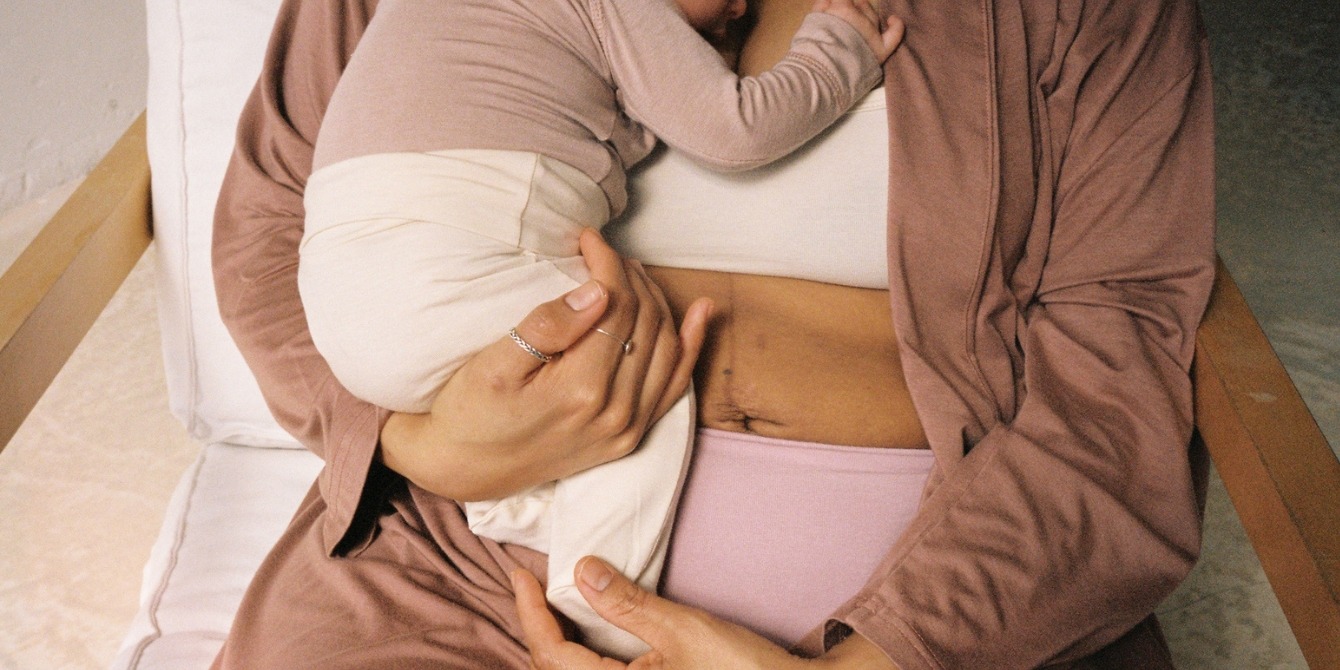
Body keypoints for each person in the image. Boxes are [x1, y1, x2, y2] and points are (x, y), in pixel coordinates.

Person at [212, 0, 1216, 667]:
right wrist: (417, 443)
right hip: (469, 575)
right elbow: (272, 229)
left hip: (923, 617)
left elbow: (1117, 358)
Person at [295, 0, 900, 655]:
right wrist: (841, 49)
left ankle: (513, 506)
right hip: (443, 299)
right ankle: (602, 609)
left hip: (351, 311)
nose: (740, 8)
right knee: (637, 369)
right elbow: (736, 131)